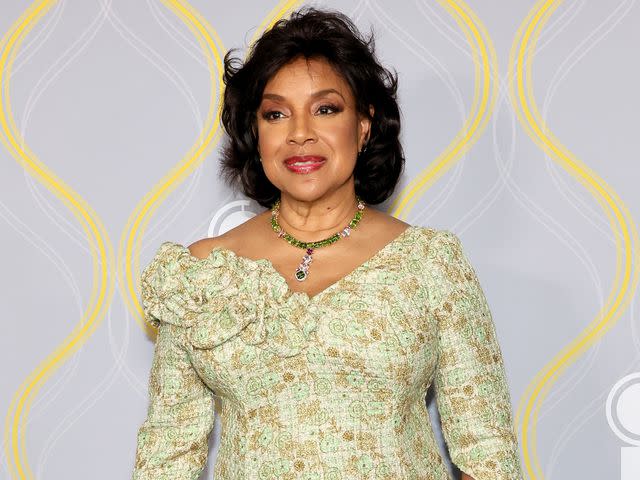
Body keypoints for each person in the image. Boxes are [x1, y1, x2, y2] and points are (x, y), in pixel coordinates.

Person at [132, 6, 523, 480]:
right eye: (276, 113)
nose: (300, 133)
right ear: (256, 134)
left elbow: (488, 457)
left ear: (362, 126)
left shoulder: (430, 263)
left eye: (326, 108)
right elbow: (166, 459)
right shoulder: (200, 275)